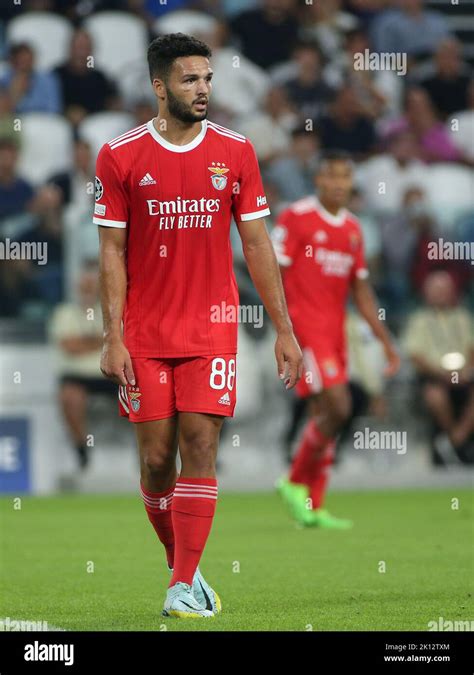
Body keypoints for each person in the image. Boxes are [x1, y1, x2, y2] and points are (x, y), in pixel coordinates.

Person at [95, 33, 302, 619]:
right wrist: (112, 333)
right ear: (159, 86)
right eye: (190, 80)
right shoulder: (120, 154)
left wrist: (284, 330)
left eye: (208, 78)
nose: (203, 89)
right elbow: (110, 250)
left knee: (200, 446)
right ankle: (182, 568)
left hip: (213, 326)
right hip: (144, 332)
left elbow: (257, 243)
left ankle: (182, 586)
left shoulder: (236, 151)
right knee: (158, 461)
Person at [272, 150, 400, 528]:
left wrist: (386, 341)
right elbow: (272, 271)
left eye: (346, 176)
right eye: (332, 176)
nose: (339, 184)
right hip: (305, 332)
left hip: (335, 333)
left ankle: (313, 506)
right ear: (318, 179)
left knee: (324, 415)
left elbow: (361, 292)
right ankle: (293, 481)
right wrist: (283, 329)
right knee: (339, 407)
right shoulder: (296, 218)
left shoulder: (353, 229)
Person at [403, 271, 474, 465]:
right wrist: (444, 374)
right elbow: (416, 356)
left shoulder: (462, 318)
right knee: (436, 396)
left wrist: (464, 372)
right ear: (426, 293)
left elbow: (471, 350)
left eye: (444, 290)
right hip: (432, 377)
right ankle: (456, 442)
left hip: (464, 377)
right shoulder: (419, 320)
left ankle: (454, 441)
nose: (440, 294)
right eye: (436, 290)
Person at [49, 262, 113, 469]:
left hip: (111, 373)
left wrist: (88, 341)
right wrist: (104, 339)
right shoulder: (64, 312)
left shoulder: (111, 309)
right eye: (84, 286)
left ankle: (151, 449)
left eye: (91, 285)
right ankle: (81, 449)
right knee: (69, 397)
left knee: (145, 394)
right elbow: (70, 346)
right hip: (77, 375)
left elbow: (123, 339)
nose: (87, 290)